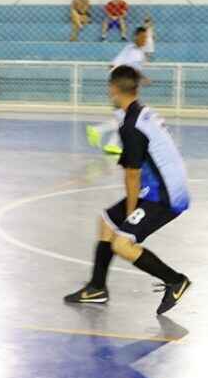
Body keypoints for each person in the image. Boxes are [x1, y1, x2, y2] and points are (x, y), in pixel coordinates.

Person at [64, 65, 191, 316]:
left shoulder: (131, 125)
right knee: (106, 223)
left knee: (121, 244)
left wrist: (132, 213)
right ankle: (97, 287)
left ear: (113, 89)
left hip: (165, 195)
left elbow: (132, 174)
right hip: (160, 187)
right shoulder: (142, 113)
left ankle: (176, 281)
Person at [87, 26, 148, 155]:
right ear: (136, 37)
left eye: (146, 37)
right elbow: (113, 65)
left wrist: (140, 79)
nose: (145, 40)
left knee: (123, 119)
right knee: (125, 119)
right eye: (143, 37)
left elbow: (134, 71)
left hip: (128, 89)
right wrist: (117, 85)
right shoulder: (130, 50)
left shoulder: (139, 53)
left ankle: (111, 144)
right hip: (121, 89)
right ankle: (97, 131)